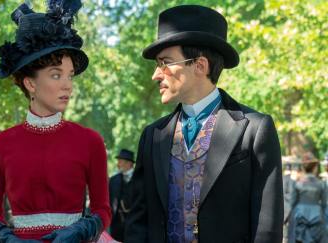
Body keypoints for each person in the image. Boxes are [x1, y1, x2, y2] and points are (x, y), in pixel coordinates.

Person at [125, 5, 283, 243]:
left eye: (165, 62)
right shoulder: (153, 136)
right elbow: (138, 222)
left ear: (200, 65)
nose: (156, 75)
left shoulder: (254, 129)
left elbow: (267, 228)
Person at [0, 2, 111, 243]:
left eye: (70, 75)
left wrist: (82, 230)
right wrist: (5, 237)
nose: (68, 85)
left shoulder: (90, 141)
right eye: (56, 75)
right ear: (30, 84)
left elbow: (102, 210)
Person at [287, 152, 327, 243]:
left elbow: (292, 202)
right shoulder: (321, 184)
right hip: (317, 216)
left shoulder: (297, 183)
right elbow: (324, 204)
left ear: (303, 167)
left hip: (299, 215)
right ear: (314, 167)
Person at [108, 149, 135, 241]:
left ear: (128, 163)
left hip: (133, 223)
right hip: (116, 225)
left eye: (120, 161)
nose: (118, 163)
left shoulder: (140, 180)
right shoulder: (114, 180)